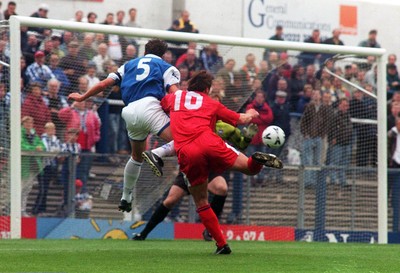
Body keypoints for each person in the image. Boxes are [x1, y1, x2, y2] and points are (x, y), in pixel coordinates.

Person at [157, 70, 282, 254]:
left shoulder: (174, 98)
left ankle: (222, 244)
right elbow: (241, 119)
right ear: (207, 89)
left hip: (187, 152)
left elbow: (160, 105)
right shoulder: (211, 103)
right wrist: (250, 112)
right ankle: (256, 159)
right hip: (210, 143)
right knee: (249, 168)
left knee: (201, 201)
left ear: (190, 85)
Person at [67, 39, 181, 213]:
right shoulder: (167, 67)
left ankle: (126, 196)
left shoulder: (128, 65)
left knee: (136, 156)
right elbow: (175, 92)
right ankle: (159, 155)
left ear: (145, 51)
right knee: (185, 139)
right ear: (163, 54)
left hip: (129, 111)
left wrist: (83, 97)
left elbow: (104, 84)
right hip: (150, 106)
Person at [133, 119, 258, 241]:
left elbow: (241, 145)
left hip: (210, 169)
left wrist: (247, 138)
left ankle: (210, 230)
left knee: (221, 188)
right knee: (171, 200)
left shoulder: (224, 127)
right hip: (190, 167)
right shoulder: (194, 123)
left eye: (217, 101)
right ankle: (144, 233)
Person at [32, 122, 61, 215]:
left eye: (53, 129)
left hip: (51, 166)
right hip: (42, 166)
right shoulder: (41, 139)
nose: (51, 131)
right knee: (42, 188)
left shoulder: (56, 140)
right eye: (49, 129)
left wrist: (55, 151)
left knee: (46, 188)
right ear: (45, 130)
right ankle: (35, 209)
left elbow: (59, 149)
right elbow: (43, 149)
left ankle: (42, 209)